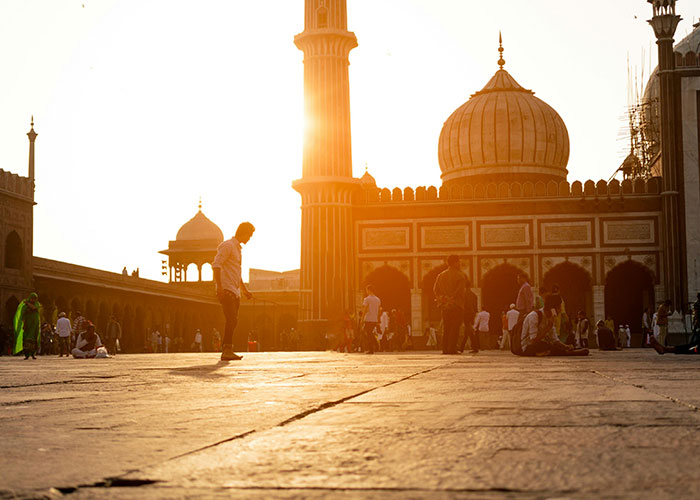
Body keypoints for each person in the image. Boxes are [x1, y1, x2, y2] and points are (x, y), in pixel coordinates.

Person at [213, 221, 255, 361]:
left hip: (234, 290)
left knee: (233, 320)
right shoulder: (228, 246)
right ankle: (226, 350)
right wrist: (219, 286)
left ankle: (227, 349)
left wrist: (244, 290)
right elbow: (216, 265)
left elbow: (236, 273)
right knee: (231, 320)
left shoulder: (237, 249)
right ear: (243, 233)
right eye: (249, 235)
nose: (249, 238)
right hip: (226, 289)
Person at [520, 297, 588, 357]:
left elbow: (554, 340)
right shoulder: (534, 316)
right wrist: (547, 328)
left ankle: (568, 351)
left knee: (551, 346)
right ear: (552, 309)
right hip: (528, 347)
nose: (560, 311)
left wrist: (565, 346)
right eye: (558, 308)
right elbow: (533, 340)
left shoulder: (550, 319)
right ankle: (569, 353)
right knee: (546, 346)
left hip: (542, 345)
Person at [433, 255, 467, 354]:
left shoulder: (441, 275)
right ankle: (452, 348)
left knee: (446, 327)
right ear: (454, 263)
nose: (459, 264)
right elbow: (459, 291)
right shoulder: (460, 275)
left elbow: (435, 290)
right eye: (458, 262)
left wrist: (443, 298)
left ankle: (445, 349)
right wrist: (451, 298)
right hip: (456, 305)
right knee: (455, 327)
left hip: (445, 305)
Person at [13, 293, 42, 359]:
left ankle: (33, 354)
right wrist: (23, 323)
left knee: (34, 340)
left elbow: (34, 308)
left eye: (35, 298)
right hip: (27, 325)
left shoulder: (37, 304)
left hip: (35, 325)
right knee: (27, 340)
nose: (33, 300)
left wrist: (27, 303)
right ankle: (26, 355)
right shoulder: (25, 306)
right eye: (32, 298)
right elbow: (22, 314)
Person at [361, 285, 381, 354]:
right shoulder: (378, 299)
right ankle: (373, 347)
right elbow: (378, 311)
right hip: (374, 319)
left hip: (368, 319)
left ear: (369, 290)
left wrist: (362, 318)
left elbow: (365, 309)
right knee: (370, 333)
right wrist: (378, 319)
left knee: (368, 333)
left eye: (367, 290)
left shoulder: (367, 299)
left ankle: (372, 348)